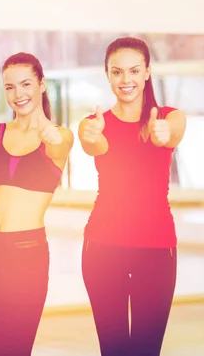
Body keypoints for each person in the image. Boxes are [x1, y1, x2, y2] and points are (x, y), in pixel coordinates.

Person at [79, 37, 187, 356]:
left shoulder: (170, 116)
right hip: (102, 250)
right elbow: (95, 145)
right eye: (117, 72)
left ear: (147, 72)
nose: (126, 80)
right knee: (112, 350)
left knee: (146, 350)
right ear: (108, 75)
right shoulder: (94, 124)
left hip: (155, 251)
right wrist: (92, 137)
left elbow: (174, 132)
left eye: (134, 71)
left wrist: (163, 134)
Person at [0, 52, 74, 355]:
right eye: (10, 87)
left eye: (25, 84)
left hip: (25, 253)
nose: (18, 94)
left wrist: (52, 137)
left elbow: (60, 145)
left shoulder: (59, 136)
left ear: (42, 84)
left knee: (16, 348)